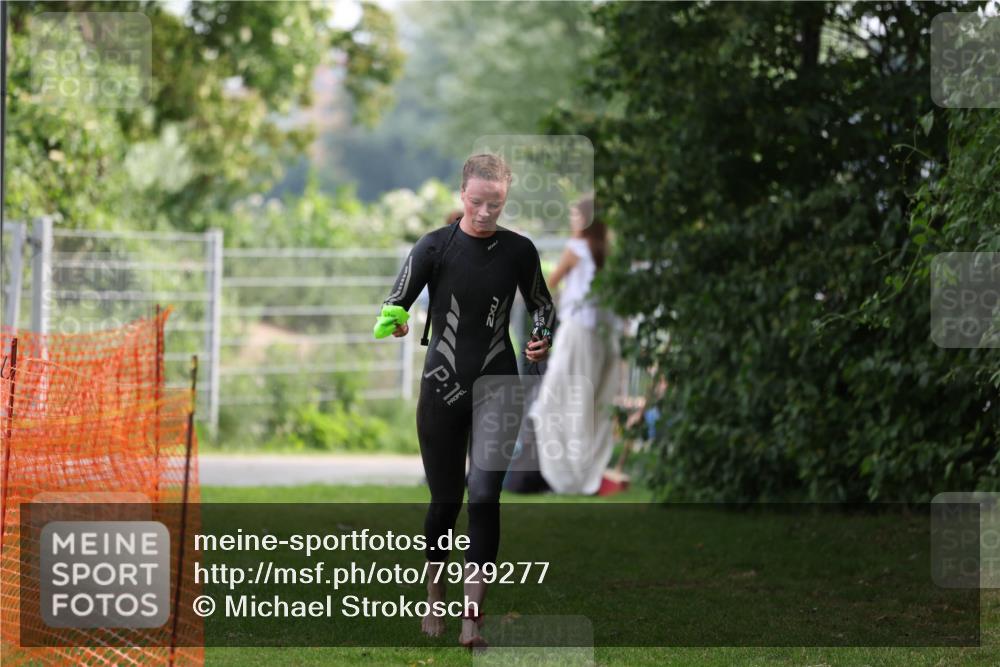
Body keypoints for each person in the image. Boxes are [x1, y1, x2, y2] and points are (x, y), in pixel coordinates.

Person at [379, 153, 554, 649]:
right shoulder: (435, 246)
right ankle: (436, 592)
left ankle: (471, 620)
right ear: (462, 195)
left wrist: (541, 337)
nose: (484, 213)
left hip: (499, 385)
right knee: (446, 502)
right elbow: (395, 302)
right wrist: (395, 321)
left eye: (495, 205)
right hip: (441, 385)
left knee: (483, 497)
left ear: (505, 200)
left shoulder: (519, 250)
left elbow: (542, 304)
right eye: (477, 202)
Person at [527, 194, 620, 495]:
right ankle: (586, 473)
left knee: (556, 402)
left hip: (579, 332)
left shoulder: (576, 249)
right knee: (593, 404)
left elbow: (547, 284)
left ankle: (565, 476)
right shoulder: (610, 253)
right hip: (605, 335)